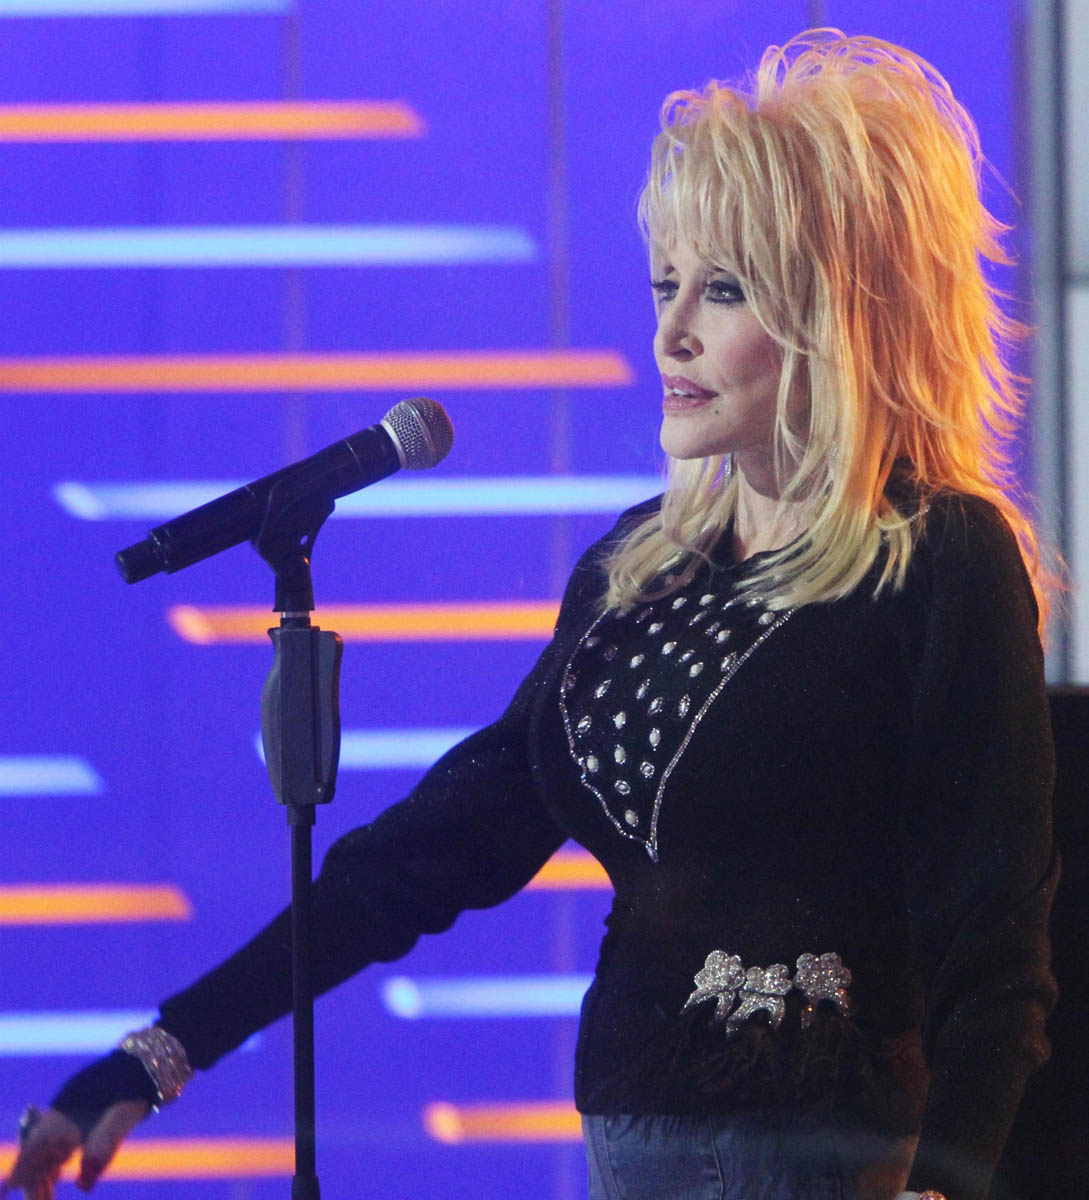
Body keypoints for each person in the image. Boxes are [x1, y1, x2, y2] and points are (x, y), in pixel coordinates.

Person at [3, 29, 1058, 1200]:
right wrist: (158, 1053)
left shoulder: (939, 562)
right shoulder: (636, 573)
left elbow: (995, 956)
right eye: (665, 283)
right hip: (629, 1158)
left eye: (723, 290)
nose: (671, 333)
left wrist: (943, 1190)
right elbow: (426, 855)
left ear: (840, 311)